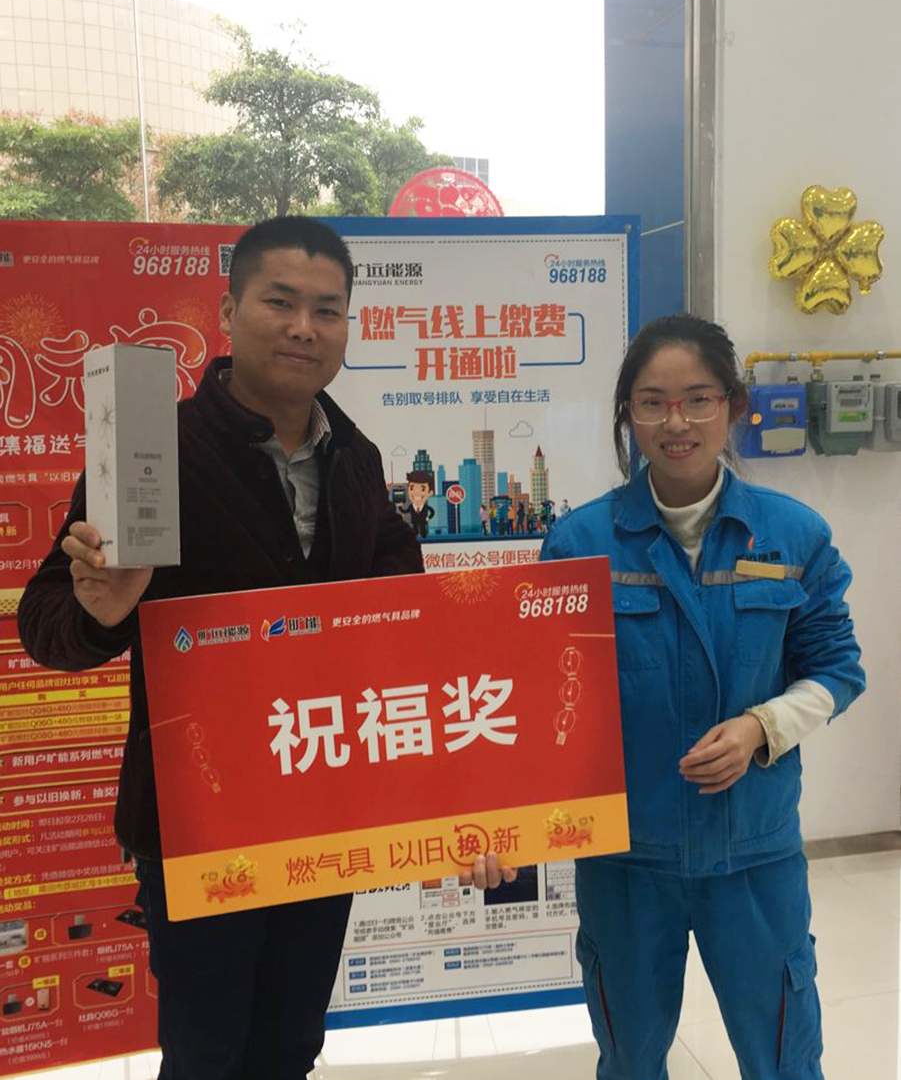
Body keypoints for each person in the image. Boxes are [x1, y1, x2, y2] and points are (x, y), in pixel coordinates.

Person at [16, 215, 507, 1080]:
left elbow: (409, 634)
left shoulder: (357, 459)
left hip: (323, 807)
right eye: (280, 302)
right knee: (205, 1054)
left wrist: (457, 803)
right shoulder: (153, 449)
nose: (303, 327)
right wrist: (101, 609)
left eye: (327, 309)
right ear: (227, 310)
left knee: (290, 1044)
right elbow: (47, 619)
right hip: (199, 819)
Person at [540, 314, 865, 1080]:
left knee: (782, 1053)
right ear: (627, 413)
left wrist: (761, 725)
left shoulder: (792, 535)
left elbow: (836, 669)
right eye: (651, 402)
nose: (675, 422)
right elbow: (541, 698)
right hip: (624, 856)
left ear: (733, 406)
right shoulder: (579, 544)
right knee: (629, 1055)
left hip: (752, 849)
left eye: (696, 399)